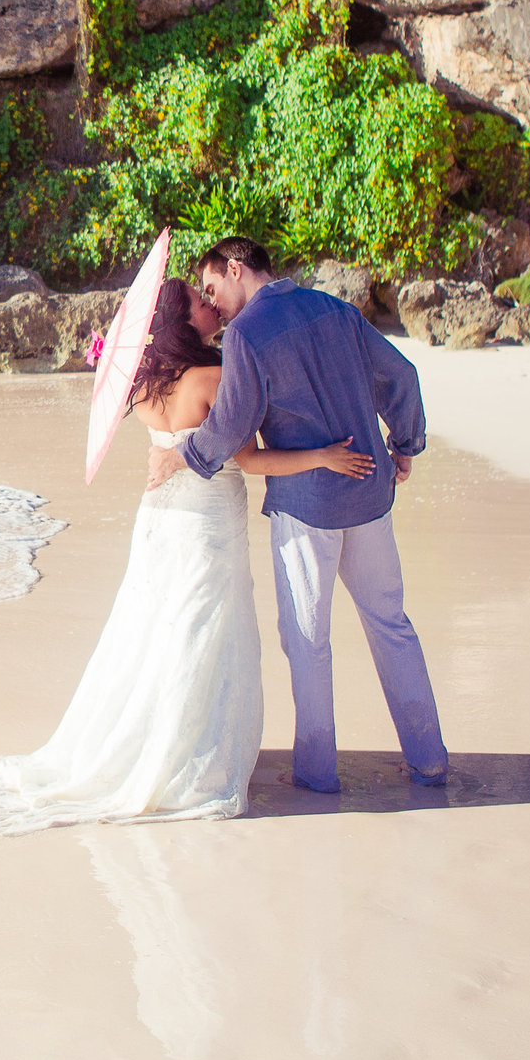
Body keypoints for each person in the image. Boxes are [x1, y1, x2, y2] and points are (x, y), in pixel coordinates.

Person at [0, 278, 374, 833]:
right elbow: (254, 463)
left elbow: (187, 446)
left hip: (159, 522)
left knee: (150, 633)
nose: (212, 308)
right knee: (205, 631)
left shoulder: (140, 387)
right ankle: (188, 755)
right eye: (200, 305)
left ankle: (152, 741)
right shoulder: (214, 377)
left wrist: (182, 451)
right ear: (182, 324)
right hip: (208, 526)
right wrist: (323, 456)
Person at [146, 236, 447, 793]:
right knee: (391, 625)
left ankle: (317, 772)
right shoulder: (336, 308)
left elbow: (232, 424)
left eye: (213, 286)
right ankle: (429, 761)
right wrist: (405, 443)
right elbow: (402, 377)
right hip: (370, 495)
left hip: (308, 508)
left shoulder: (245, 336)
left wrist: (179, 455)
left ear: (237, 269)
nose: (214, 301)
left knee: (308, 641)